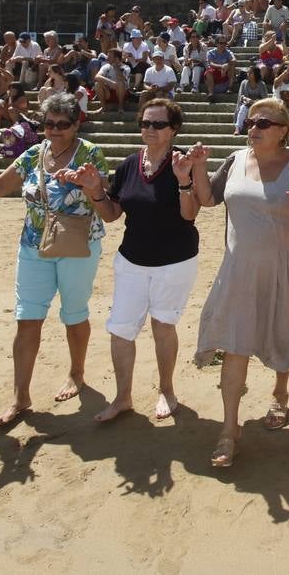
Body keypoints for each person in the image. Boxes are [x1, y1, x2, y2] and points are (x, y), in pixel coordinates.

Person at [191, 99, 289, 466]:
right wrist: (195, 169)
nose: (253, 127)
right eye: (250, 120)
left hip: (287, 268)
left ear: (283, 130)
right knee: (235, 343)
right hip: (239, 271)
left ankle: (280, 394)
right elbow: (207, 199)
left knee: (283, 334)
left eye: (263, 122)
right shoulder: (234, 160)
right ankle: (228, 431)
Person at [0, 93, 108, 428]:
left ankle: (76, 372)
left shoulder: (90, 152)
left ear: (76, 123)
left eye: (62, 125)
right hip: (33, 246)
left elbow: (104, 200)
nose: (53, 131)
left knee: (74, 312)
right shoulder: (33, 154)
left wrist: (90, 185)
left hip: (79, 244)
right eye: (47, 124)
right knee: (27, 318)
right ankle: (20, 396)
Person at [61, 101, 205, 422]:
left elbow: (190, 214)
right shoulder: (128, 165)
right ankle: (122, 397)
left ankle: (166, 390)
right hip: (132, 260)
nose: (149, 130)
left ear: (173, 129)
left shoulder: (184, 163)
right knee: (121, 330)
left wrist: (183, 180)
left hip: (175, 260)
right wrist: (95, 190)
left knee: (162, 326)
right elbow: (112, 215)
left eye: (157, 124)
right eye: (145, 123)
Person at [234, 66, 269, 135]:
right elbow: (241, 96)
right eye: (248, 73)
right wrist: (247, 99)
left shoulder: (261, 84)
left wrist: (255, 102)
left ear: (255, 74)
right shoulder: (244, 83)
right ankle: (237, 128)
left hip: (258, 105)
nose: (248, 74)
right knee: (243, 108)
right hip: (247, 104)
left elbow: (265, 99)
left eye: (250, 73)